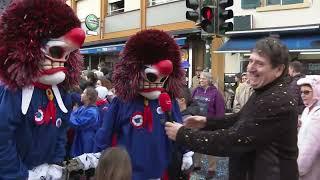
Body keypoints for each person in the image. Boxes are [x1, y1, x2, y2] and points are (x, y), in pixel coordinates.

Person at [164, 37, 299, 180]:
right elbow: (241, 118)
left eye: (259, 63)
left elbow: (234, 140)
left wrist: (182, 135)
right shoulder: (266, 90)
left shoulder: (277, 100)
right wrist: (206, 122)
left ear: (278, 70)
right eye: (251, 60)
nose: (250, 68)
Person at [0, 0, 85, 179]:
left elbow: (62, 132)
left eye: (68, 54)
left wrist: (55, 163)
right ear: (29, 47)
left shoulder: (61, 94)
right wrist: (19, 175)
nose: (62, 60)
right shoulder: (13, 92)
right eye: (56, 51)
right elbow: (2, 138)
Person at [191, 71, 226, 178]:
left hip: (210, 124)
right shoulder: (196, 90)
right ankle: (197, 164)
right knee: (196, 144)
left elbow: (220, 111)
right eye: (200, 78)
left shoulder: (216, 93)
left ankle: (212, 169)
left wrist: (218, 125)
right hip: (196, 123)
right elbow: (190, 104)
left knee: (211, 146)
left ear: (209, 80)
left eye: (203, 78)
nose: (200, 80)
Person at [296, 75, 320, 180]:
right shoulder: (306, 110)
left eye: (307, 92)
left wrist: (299, 169)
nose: (303, 95)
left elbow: (311, 147)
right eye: (301, 92)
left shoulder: (318, 114)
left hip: (309, 169)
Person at [69, 87, 100, 158]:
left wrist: (68, 114)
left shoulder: (92, 112)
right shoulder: (83, 107)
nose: (81, 95)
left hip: (86, 140)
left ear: (88, 97)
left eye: (83, 93)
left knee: (83, 159)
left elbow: (77, 123)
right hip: (79, 137)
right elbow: (74, 116)